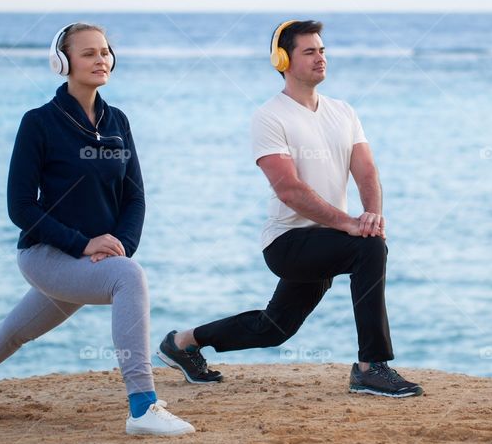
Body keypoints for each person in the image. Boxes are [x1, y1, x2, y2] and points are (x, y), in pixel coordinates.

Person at [0, 23, 194, 435]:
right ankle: (143, 407)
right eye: (89, 53)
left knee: (15, 331)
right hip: (45, 255)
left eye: (105, 51)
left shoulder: (118, 121)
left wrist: (118, 248)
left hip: (93, 260)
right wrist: (81, 244)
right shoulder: (39, 122)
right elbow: (20, 206)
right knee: (129, 279)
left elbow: (136, 198)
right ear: (63, 62)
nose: (100, 60)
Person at [158, 20, 423, 398]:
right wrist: (349, 224)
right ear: (282, 59)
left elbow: (366, 170)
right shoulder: (270, 116)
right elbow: (288, 189)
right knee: (369, 250)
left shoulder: (343, 111)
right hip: (288, 242)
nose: (321, 58)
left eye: (323, 50)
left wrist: (372, 215)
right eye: (309, 51)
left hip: (329, 238)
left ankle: (182, 343)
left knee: (275, 328)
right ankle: (371, 367)